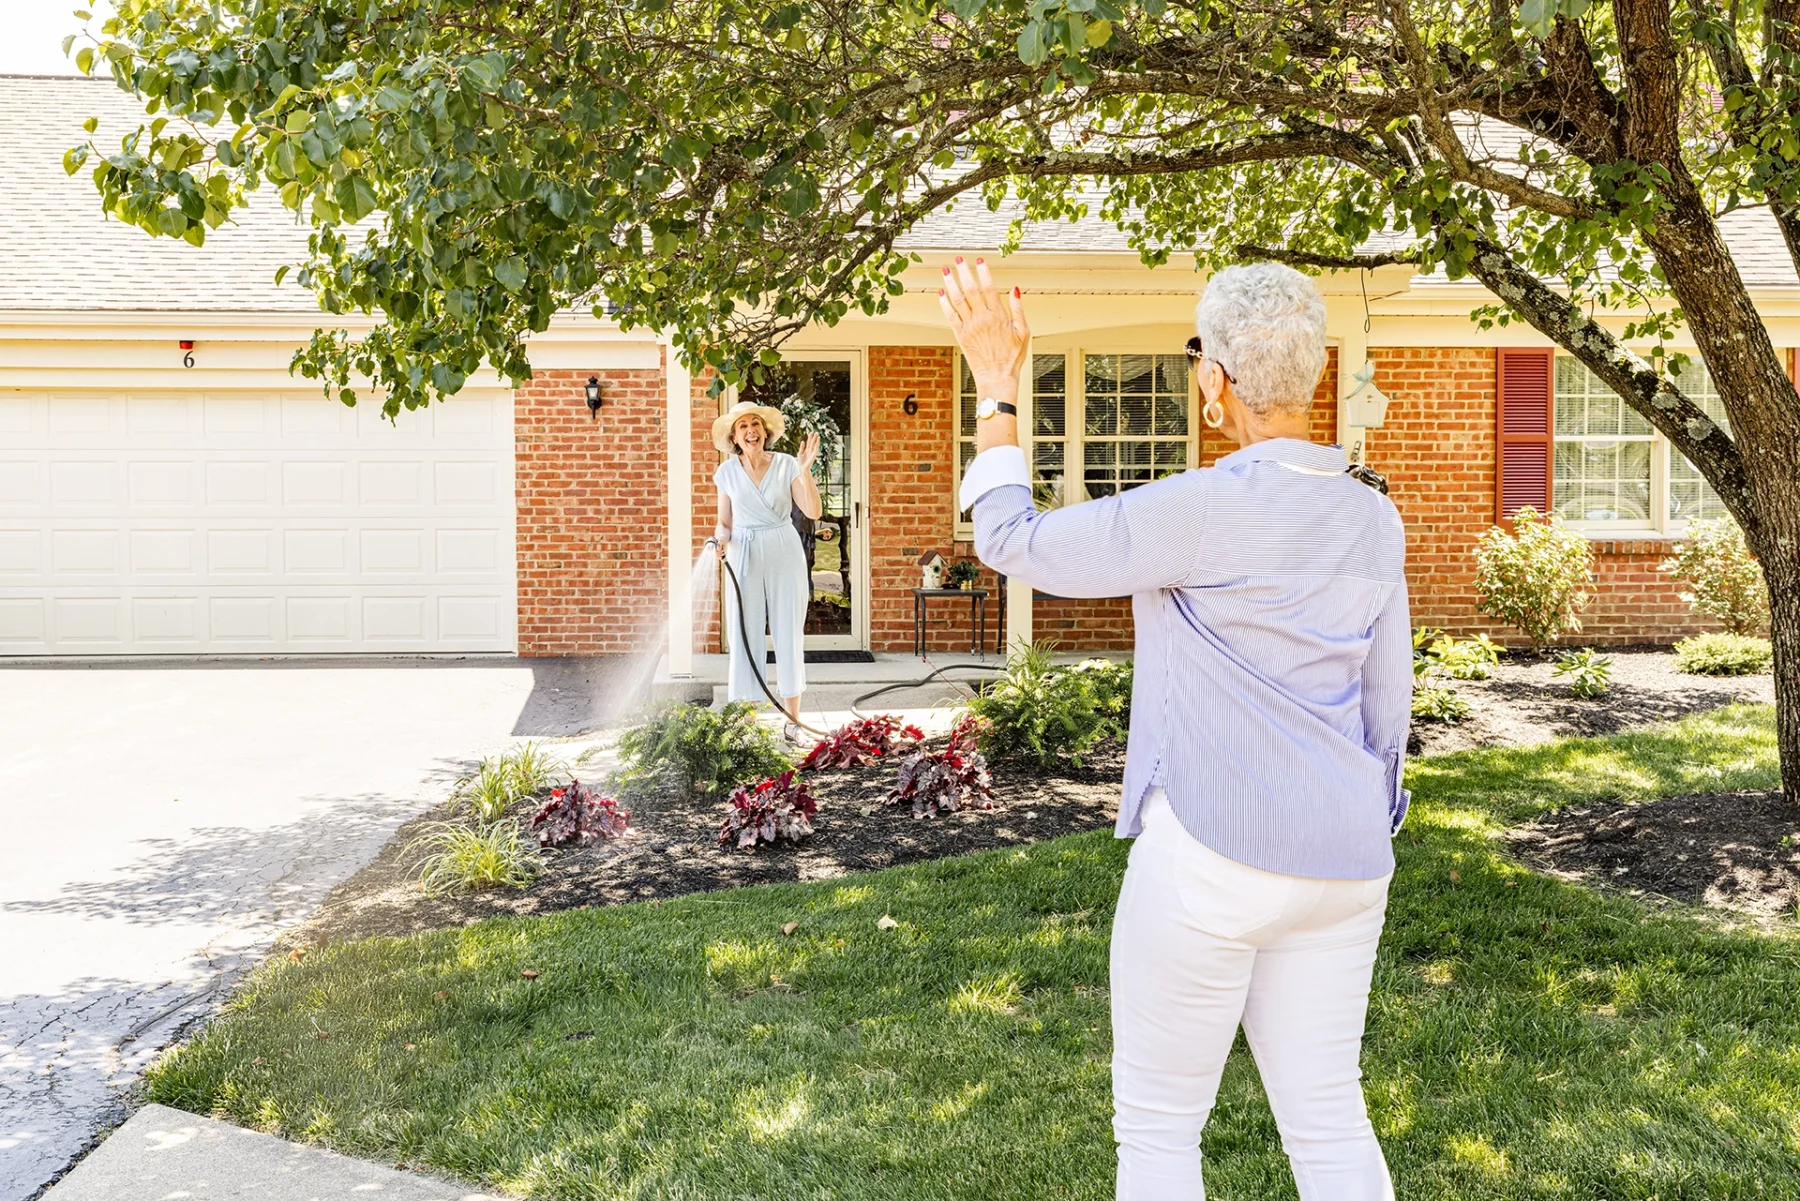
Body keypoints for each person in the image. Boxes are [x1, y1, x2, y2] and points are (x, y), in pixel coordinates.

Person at [941, 257, 1410, 1201]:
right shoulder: (1374, 515)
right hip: (1346, 861)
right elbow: (1385, 700)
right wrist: (1373, 812)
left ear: (1213, 381)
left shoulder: (1201, 508)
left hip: (1208, 857)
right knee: (1328, 1115)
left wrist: (997, 389)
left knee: (1158, 1133)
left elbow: (1012, 540)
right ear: (1313, 375)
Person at [711, 399, 822, 741]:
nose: (750, 431)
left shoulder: (788, 464)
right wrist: (719, 541)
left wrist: (805, 470)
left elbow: (812, 511)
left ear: (765, 431)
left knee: (788, 633)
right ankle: (747, 725)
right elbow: (724, 523)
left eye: (755, 424)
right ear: (734, 436)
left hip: (783, 549)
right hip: (744, 553)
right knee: (744, 636)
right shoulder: (727, 472)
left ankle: (793, 723)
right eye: (743, 426)